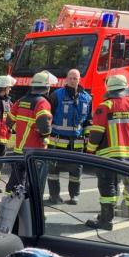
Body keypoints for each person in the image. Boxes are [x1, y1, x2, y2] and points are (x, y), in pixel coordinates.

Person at [84, 74, 129, 230]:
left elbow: (96, 133)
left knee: (107, 187)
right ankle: (109, 214)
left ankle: (106, 220)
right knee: (118, 184)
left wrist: (90, 150)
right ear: (124, 88)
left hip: (108, 155)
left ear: (108, 89)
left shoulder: (106, 106)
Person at [46, 69, 92, 205]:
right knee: (53, 170)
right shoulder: (56, 95)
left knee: (76, 171)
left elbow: (89, 120)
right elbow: (48, 116)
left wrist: (88, 135)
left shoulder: (87, 98)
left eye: (75, 78)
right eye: (70, 78)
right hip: (57, 140)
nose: (73, 81)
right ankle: (54, 195)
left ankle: (74, 196)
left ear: (79, 80)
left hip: (77, 142)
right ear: (66, 79)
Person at [5, 70, 54, 193]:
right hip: (35, 151)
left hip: (18, 150)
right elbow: (44, 125)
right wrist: (44, 135)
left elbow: (9, 121)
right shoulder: (42, 102)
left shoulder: (21, 101)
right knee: (33, 183)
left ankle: (10, 205)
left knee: (15, 181)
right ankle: (30, 209)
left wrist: (20, 128)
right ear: (47, 87)